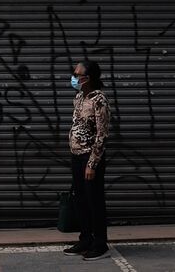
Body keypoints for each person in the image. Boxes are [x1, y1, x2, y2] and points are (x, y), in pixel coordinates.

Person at [63, 60, 111, 260]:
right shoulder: (79, 97)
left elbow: (102, 134)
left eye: (77, 74)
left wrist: (92, 163)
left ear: (88, 78)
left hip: (90, 159)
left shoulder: (99, 100)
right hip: (76, 156)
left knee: (94, 201)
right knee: (79, 199)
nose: (73, 77)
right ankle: (85, 239)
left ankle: (100, 244)